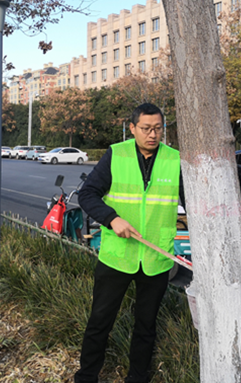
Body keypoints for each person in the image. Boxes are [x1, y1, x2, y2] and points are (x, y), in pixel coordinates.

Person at [75, 103, 184, 383]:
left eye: (158, 129)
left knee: (146, 327)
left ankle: (137, 378)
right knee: (100, 322)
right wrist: (112, 219)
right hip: (117, 257)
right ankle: (86, 377)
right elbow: (87, 195)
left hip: (155, 260)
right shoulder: (116, 154)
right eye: (146, 128)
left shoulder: (175, 160)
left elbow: (192, 203)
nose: (152, 135)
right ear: (132, 128)